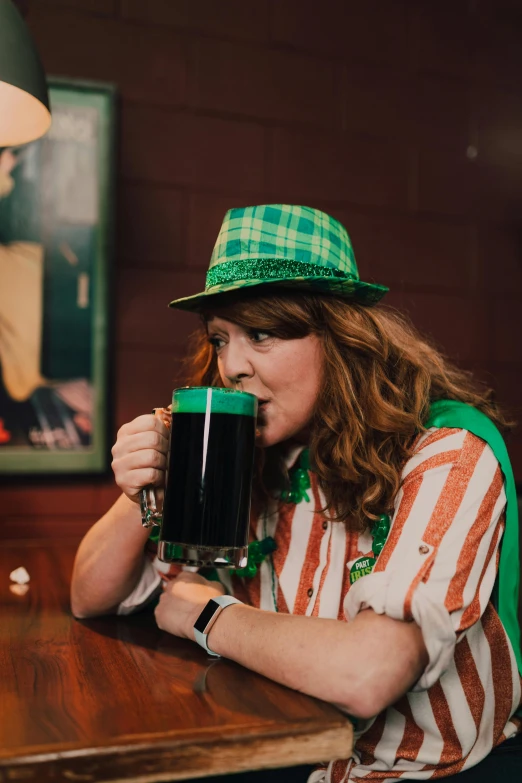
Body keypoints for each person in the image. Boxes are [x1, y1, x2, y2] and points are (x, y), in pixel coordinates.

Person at [71, 205, 522, 782]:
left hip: (421, 770)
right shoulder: (246, 448)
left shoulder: (448, 450)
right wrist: (145, 485)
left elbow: (368, 675)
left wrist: (208, 614)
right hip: (287, 751)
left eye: (261, 333)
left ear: (340, 336)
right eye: (220, 337)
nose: (232, 366)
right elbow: (90, 596)